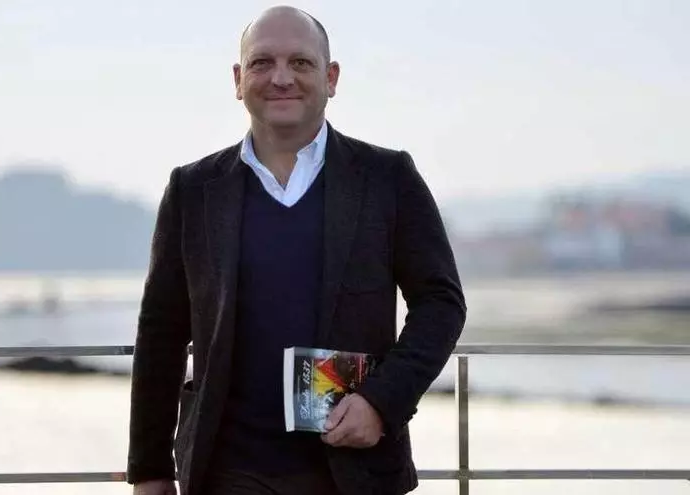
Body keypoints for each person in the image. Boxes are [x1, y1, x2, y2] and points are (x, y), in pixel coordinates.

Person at [127, 6, 466, 495]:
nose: (281, 78)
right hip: (225, 473)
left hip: (354, 468)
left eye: (301, 63)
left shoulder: (388, 179)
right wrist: (150, 470)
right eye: (262, 63)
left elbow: (441, 303)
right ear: (239, 80)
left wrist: (381, 402)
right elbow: (161, 331)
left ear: (331, 78)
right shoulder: (193, 190)